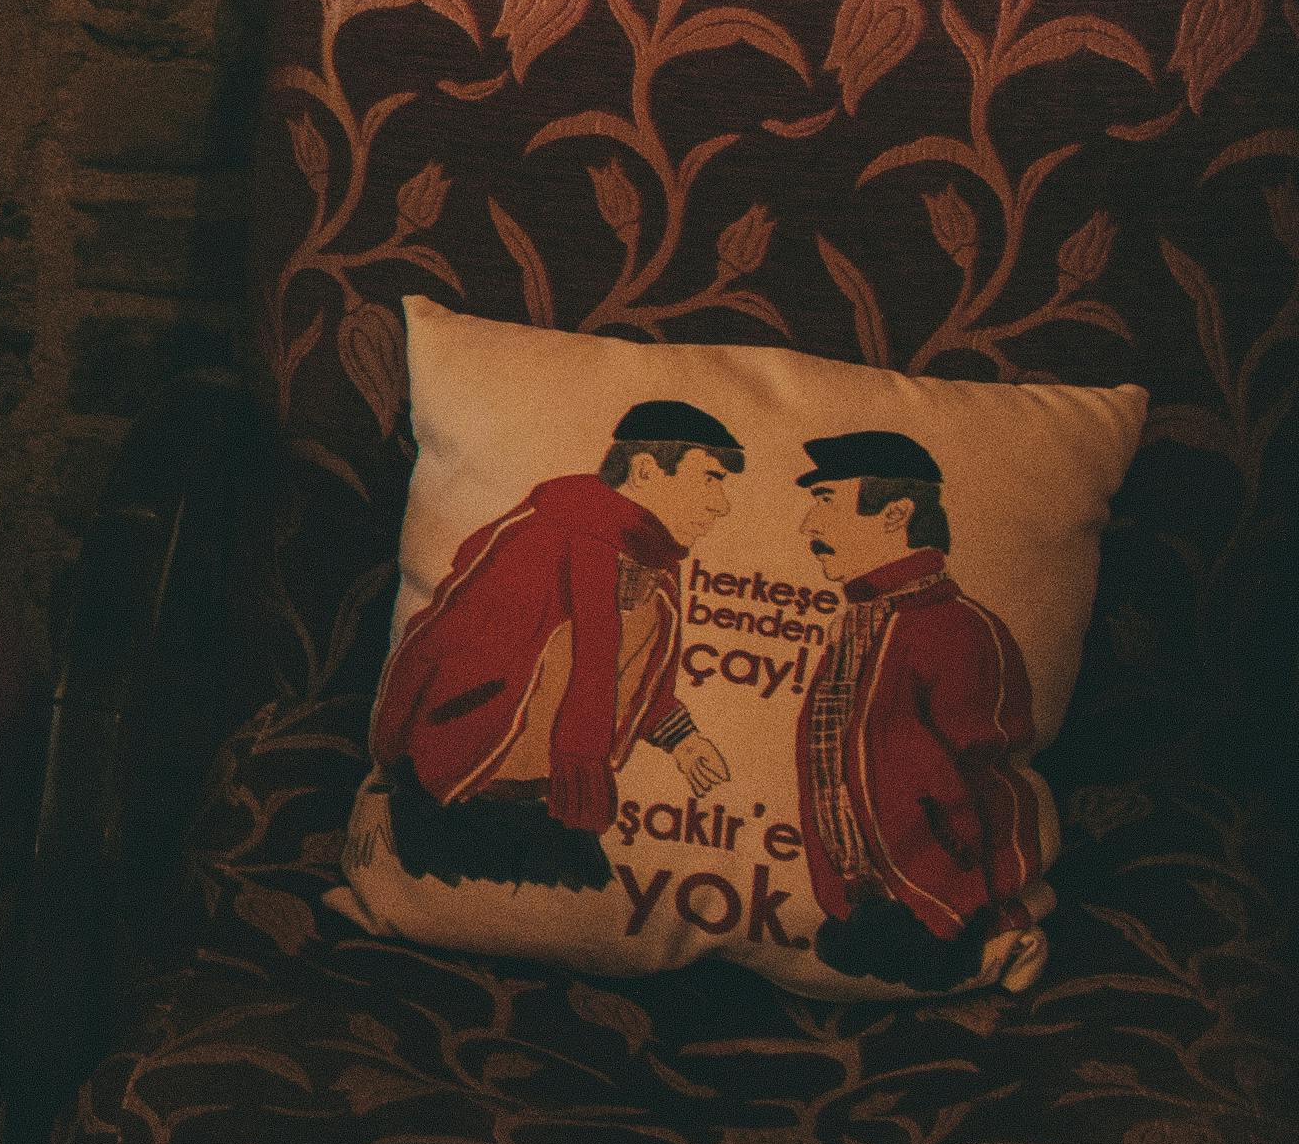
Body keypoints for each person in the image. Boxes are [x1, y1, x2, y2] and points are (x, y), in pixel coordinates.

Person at [370, 397, 743, 890]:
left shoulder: (657, 575)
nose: (723, 504)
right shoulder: (538, 541)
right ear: (647, 470)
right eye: (711, 478)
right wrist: (385, 769)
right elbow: (431, 646)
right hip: (459, 796)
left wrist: (684, 740)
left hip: (558, 805)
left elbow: (623, 680)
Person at [790, 431, 1052, 991]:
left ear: (896, 514)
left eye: (826, 500)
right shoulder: (864, 621)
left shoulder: (955, 628)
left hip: (943, 913)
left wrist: (990, 914)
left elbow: (991, 781)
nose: (808, 526)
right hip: (866, 912)